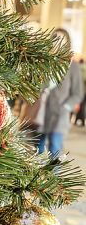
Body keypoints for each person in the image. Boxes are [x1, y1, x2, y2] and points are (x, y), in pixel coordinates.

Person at [36, 29, 83, 157]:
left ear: (67, 43)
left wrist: (66, 107)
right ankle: (36, 176)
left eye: (62, 39)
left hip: (59, 116)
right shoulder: (44, 63)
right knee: (37, 148)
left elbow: (77, 93)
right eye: (55, 38)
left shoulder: (73, 67)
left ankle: (52, 177)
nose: (58, 42)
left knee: (55, 148)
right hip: (41, 113)